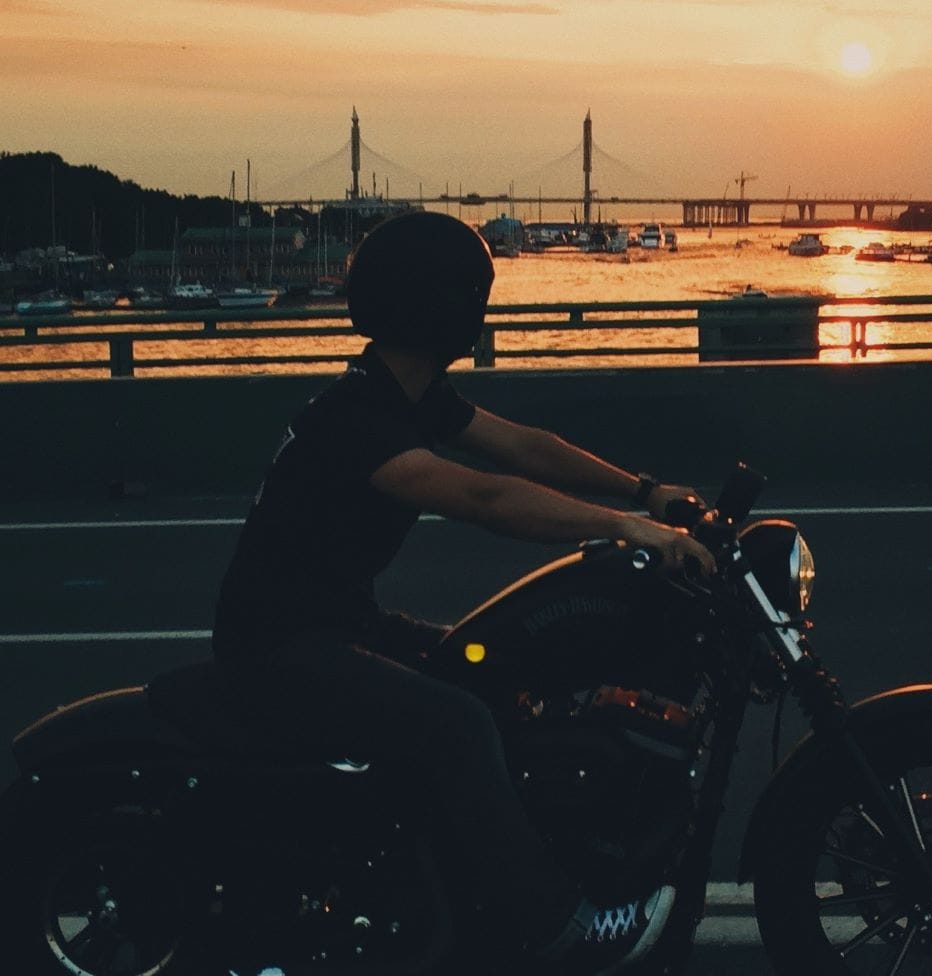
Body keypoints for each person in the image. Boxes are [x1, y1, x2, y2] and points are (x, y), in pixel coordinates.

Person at [211, 210, 715, 968]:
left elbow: (522, 447)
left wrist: (645, 492)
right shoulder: (357, 418)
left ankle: (460, 890)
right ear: (439, 303)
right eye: (472, 293)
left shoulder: (405, 395)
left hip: (341, 625)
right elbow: (486, 497)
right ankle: (556, 925)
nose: (481, 310)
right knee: (454, 721)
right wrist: (627, 530)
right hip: (283, 649)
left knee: (492, 678)